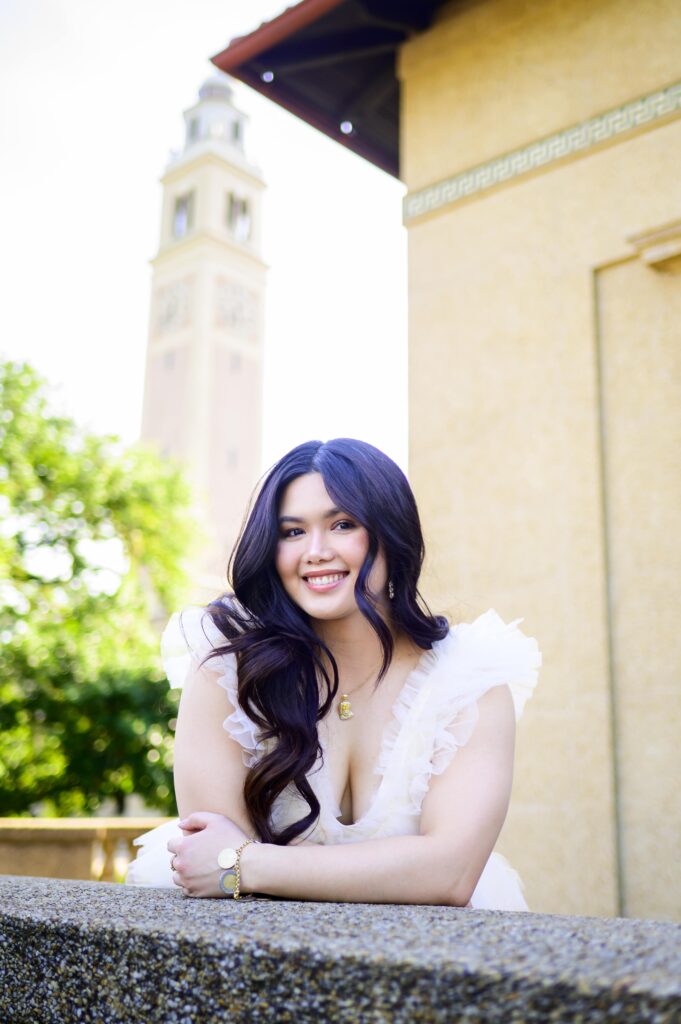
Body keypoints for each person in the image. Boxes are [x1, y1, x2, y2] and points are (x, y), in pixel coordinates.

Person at [126, 438, 541, 908]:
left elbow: (450, 874)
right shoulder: (229, 667)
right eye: (292, 532)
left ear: (392, 534)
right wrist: (231, 863)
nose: (316, 551)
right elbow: (211, 865)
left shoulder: (469, 682)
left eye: (343, 524)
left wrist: (248, 863)